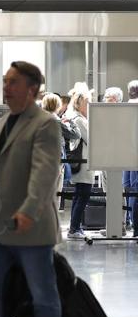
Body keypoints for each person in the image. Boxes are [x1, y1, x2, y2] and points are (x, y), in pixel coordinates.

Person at [0, 61, 62, 317]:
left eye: (13, 82)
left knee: (43, 296)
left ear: (32, 89)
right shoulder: (5, 120)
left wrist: (29, 210)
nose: (6, 87)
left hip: (29, 227)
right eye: (5, 81)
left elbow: (44, 173)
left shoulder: (45, 125)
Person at [67, 90, 93, 239]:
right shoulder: (79, 120)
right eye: (86, 102)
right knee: (82, 195)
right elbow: (90, 139)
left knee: (79, 195)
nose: (88, 105)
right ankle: (74, 228)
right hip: (83, 163)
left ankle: (75, 226)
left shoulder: (79, 118)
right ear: (79, 103)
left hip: (83, 163)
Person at [124, 81, 138, 235]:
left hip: (127, 155)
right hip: (133, 155)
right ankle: (134, 226)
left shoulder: (127, 106)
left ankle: (132, 223)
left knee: (131, 191)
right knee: (134, 191)